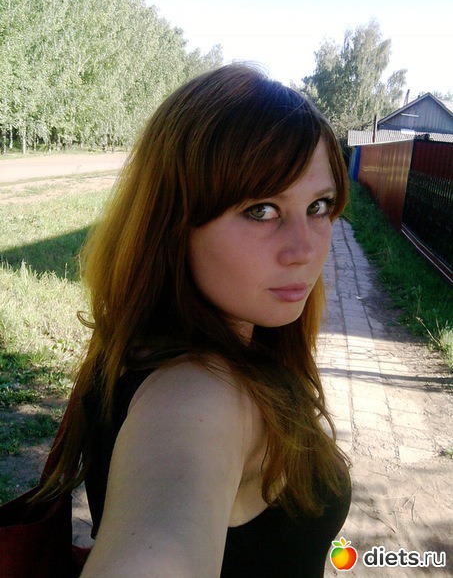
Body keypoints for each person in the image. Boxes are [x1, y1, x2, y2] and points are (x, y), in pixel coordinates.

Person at [39, 63, 351, 577]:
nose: (305, 249)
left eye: (319, 205)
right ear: (172, 221)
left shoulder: (137, 341)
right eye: (262, 210)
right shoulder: (198, 394)